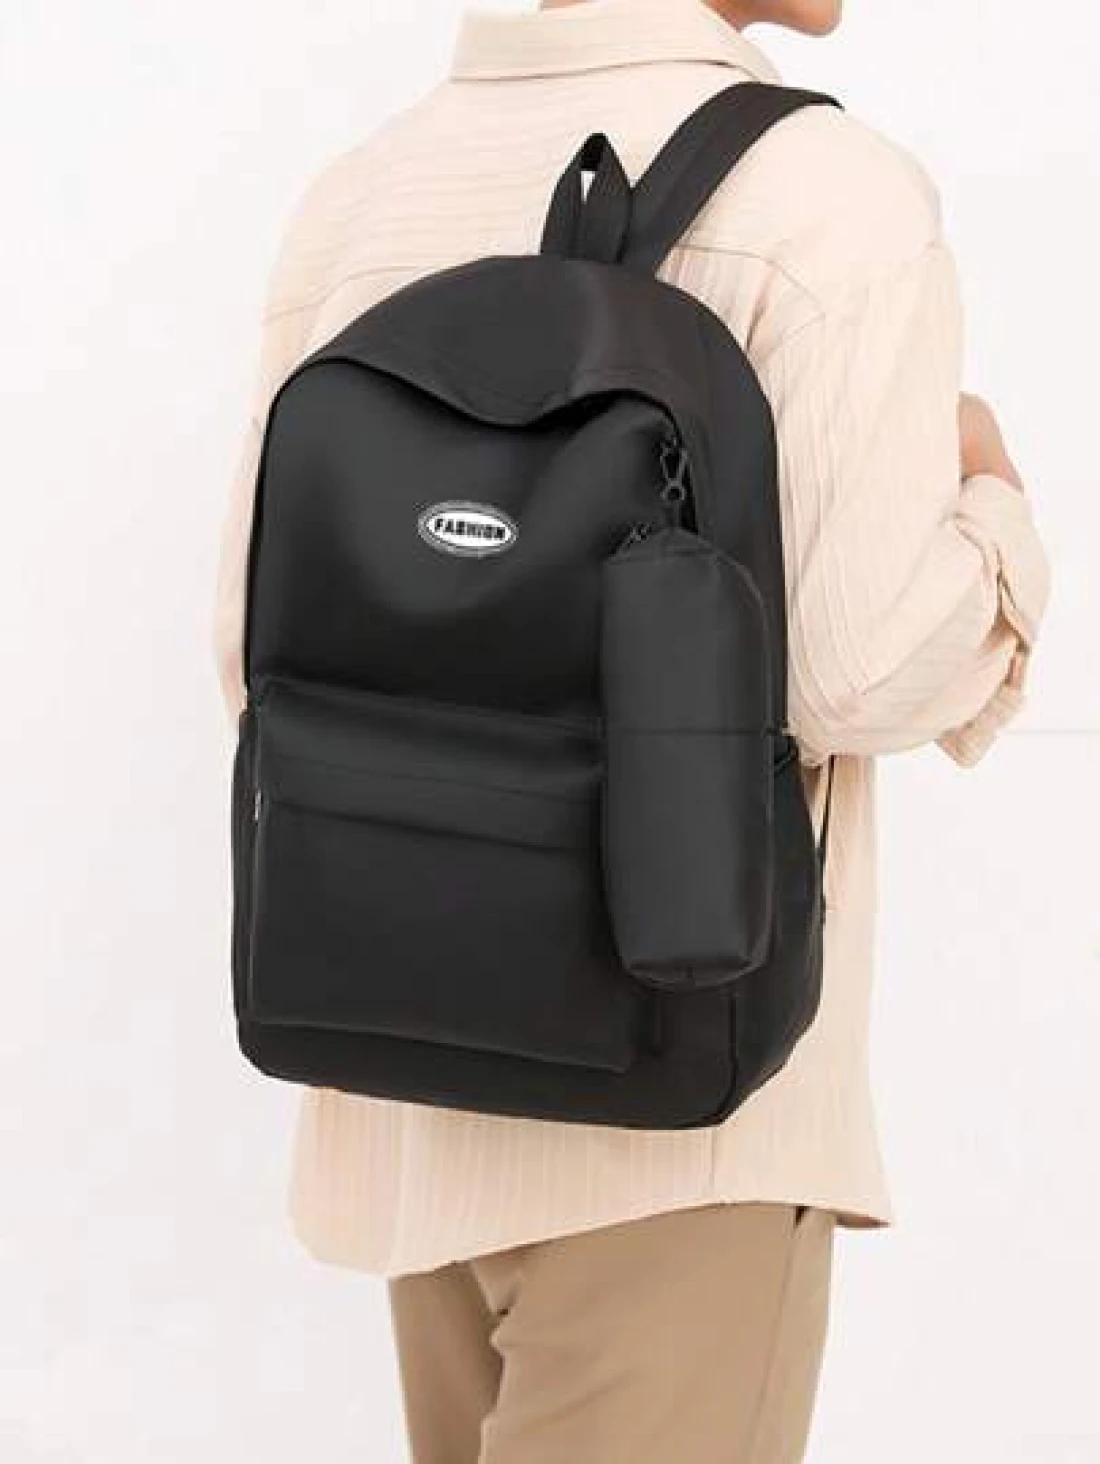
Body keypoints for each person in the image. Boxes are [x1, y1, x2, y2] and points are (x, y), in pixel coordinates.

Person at [214, 1, 1052, 1459]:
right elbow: (854, 669)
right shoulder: (827, 198)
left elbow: (255, 657)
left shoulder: (369, 190)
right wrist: (997, 523)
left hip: (409, 1067)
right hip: (675, 1121)